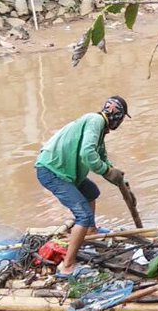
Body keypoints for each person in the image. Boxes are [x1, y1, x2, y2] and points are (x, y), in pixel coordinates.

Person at [35, 96, 131, 277]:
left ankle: (90, 232)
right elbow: (88, 154)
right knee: (83, 215)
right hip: (52, 171)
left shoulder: (99, 127)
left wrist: (121, 182)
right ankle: (67, 266)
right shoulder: (95, 121)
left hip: (66, 171)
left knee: (91, 192)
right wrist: (108, 171)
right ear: (117, 117)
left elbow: (102, 158)